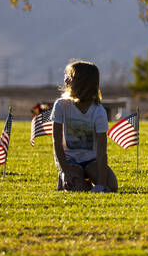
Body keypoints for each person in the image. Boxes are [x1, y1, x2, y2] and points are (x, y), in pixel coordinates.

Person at [51, 60, 118, 192]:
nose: (65, 80)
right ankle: (65, 178)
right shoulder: (61, 105)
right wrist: (66, 171)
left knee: (112, 187)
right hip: (70, 161)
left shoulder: (98, 111)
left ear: (79, 83)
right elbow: (57, 143)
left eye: (68, 77)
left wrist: (102, 185)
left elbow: (101, 150)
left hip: (92, 161)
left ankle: (88, 180)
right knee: (79, 190)